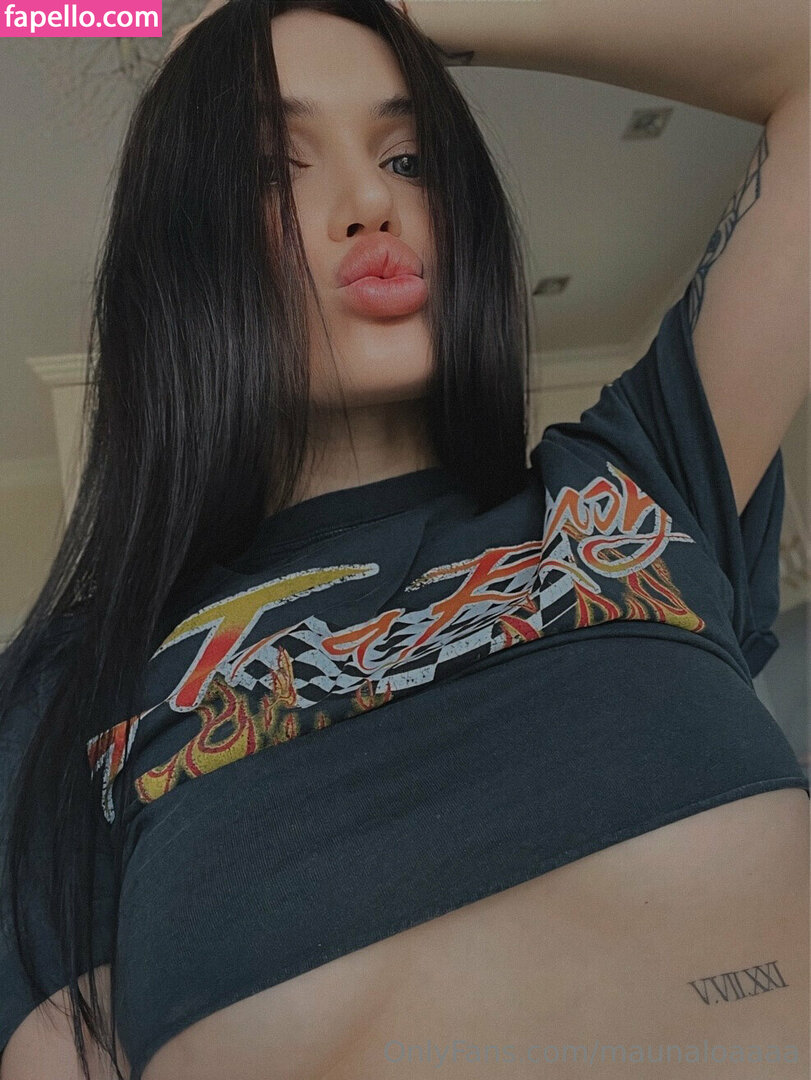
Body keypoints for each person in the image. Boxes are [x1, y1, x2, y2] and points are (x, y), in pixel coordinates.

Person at [1, 1, 808, 1078]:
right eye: (269, 166)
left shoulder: (635, 482)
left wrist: (386, 7)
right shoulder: (61, 698)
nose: (372, 200)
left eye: (409, 156)